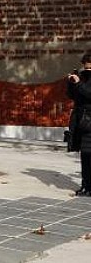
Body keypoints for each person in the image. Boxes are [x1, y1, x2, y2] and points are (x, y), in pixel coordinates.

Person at [67, 53, 91, 197]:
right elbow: (72, 96)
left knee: (89, 155)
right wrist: (71, 83)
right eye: (85, 64)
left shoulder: (83, 81)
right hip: (82, 122)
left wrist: (79, 84)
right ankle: (85, 186)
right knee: (85, 156)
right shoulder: (82, 77)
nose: (87, 68)